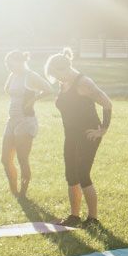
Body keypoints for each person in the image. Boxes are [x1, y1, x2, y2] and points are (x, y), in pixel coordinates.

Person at [43, 49, 113, 227]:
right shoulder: (64, 83)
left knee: (83, 174)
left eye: (56, 74)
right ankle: (74, 216)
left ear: (64, 68)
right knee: (71, 174)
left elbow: (107, 103)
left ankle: (93, 219)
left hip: (88, 135)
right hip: (71, 135)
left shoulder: (84, 83)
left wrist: (103, 129)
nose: (56, 78)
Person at [1, 51, 54, 197]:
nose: (8, 66)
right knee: (5, 159)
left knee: (22, 159)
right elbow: (7, 89)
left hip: (26, 120)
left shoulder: (30, 76)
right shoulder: (12, 75)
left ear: (20, 62)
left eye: (10, 63)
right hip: (12, 120)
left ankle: (22, 193)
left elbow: (49, 89)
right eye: (7, 64)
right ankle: (14, 191)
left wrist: (32, 99)